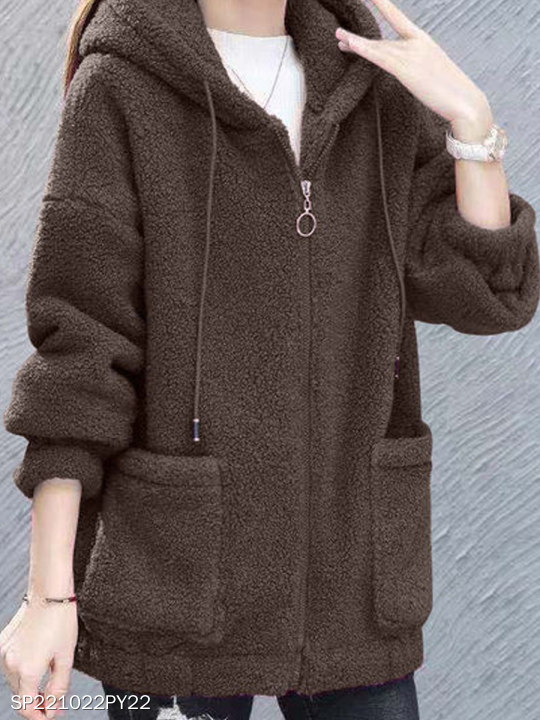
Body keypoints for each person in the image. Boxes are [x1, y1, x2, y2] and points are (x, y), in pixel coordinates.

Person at [1, 0, 539, 719]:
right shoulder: (121, 84)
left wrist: (473, 126)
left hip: (352, 593)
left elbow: (486, 295)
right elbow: (81, 351)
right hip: (178, 590)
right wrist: (49, 596)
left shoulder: (373, 86)